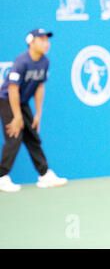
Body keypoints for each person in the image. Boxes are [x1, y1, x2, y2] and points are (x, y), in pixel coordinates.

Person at [0, 29, 68, 192]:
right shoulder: (21, 61)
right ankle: (1, 176)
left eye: (47, 40)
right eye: (42, 40)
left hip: (22, 102)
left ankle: (44, 175)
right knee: (15, 135)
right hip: (7, 99)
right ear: (31, 42)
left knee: (33, 138)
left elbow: (39, 87)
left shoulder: (45, 62)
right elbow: (13, 90)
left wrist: (38, 114)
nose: (46, 43)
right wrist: (17, 117)